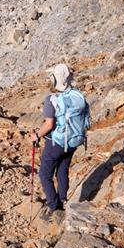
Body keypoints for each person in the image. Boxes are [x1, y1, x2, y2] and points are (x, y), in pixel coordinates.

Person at [29, 63, 89, 221]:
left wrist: (36, 135)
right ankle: (62, 199)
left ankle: (54, 207)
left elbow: (49, 125)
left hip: (56, 142)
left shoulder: (52, 99)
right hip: (74, 141)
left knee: (44, 174)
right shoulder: (77, 96)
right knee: (62, 170)